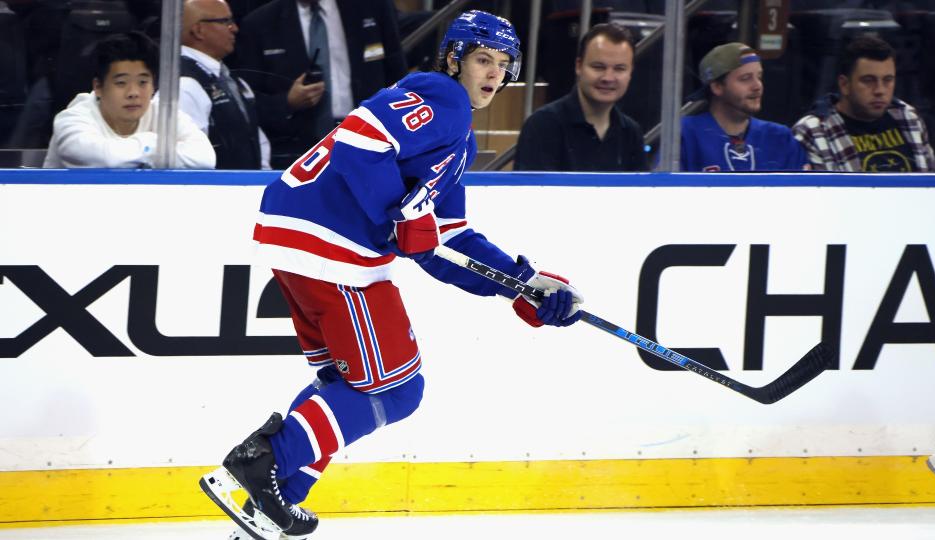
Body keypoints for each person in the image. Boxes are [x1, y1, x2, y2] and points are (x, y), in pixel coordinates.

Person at [199, 11, 583, 540]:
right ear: (454, 59)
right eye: (481, 60)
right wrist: (400, 213)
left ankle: (277, 499)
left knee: (346, 386)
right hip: (334, 250)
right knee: (400, 391)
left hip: (302, 244)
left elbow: (445, 241)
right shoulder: (442, 100)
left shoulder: (457, 138)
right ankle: (260, 459)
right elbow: (362, 142)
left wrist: (523, 284)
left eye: (502, 65)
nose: (493, 74)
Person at [234, 0, 407, 169]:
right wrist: (287, 102)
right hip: (298, 154)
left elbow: (397, 75)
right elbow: (248, 103)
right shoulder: (260, 23)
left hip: (369, 142)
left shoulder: (372, 6)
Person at [43, 32, 215, 169]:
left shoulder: (164, 115)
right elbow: (105, 158)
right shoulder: (72, 119)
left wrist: (143, 153)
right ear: (98, 86)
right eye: (121, 83)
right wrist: (152, 145)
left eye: (142, 82)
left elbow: (205, 158)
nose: (133, 93)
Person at [792, 35, 935, 172]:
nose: (880, 90)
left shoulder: (908, 117)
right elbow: (819, 195)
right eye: (868, 80)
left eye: (888, 80)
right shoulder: (814, 131)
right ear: (844, 85)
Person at [514, 22, 646, 172]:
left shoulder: (632, 133)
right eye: (598, 67)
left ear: (630, 73)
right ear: (579, 66)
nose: (608, 78)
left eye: (619, 69)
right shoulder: (542, 125)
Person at [679, 42, 807, 172]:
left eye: (759, 77)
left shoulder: (780, 137)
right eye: (745, 78)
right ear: (717, 87)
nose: (757, 86)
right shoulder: (684, 134)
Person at [180, 0, 271, 170]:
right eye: (225, 22)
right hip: (211, 192)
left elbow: (258, 142)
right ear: (198, 30)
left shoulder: (233, 80)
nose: (234, 28)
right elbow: (190, 158)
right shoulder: (184, 84)